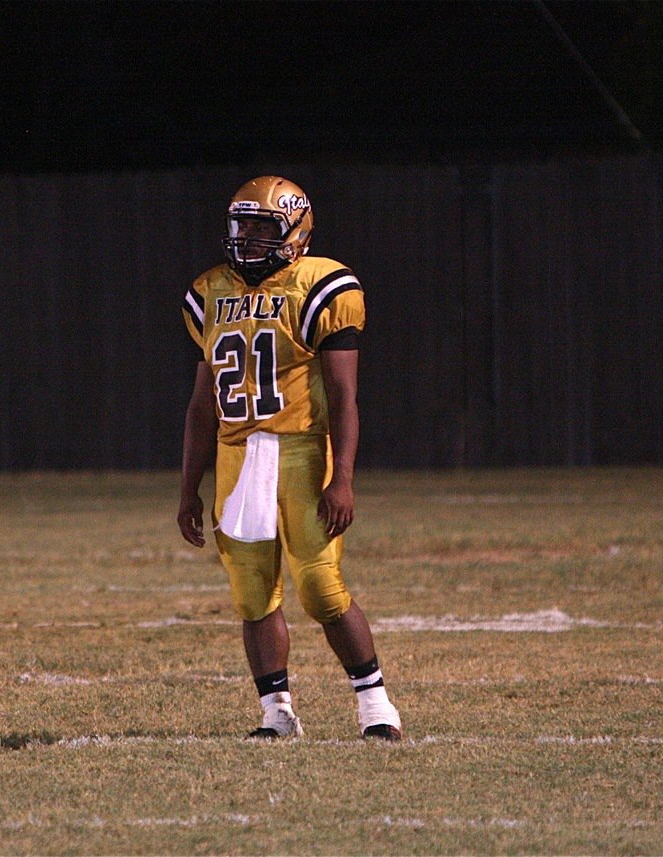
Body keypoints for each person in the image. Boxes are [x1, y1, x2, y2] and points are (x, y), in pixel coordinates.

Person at [177, 176, 402, 741]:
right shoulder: (210, 291)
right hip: (236, 455)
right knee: (253, 594)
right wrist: (187, 488)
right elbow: (202, 405)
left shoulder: (320, 285)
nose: (247, 237)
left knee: (322, 588)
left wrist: (343, 476)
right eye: (242, 225)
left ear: (295, 230)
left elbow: (345, 396)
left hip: (303, 447)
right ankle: (276, 715)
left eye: (261, 226)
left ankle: (376, 707)